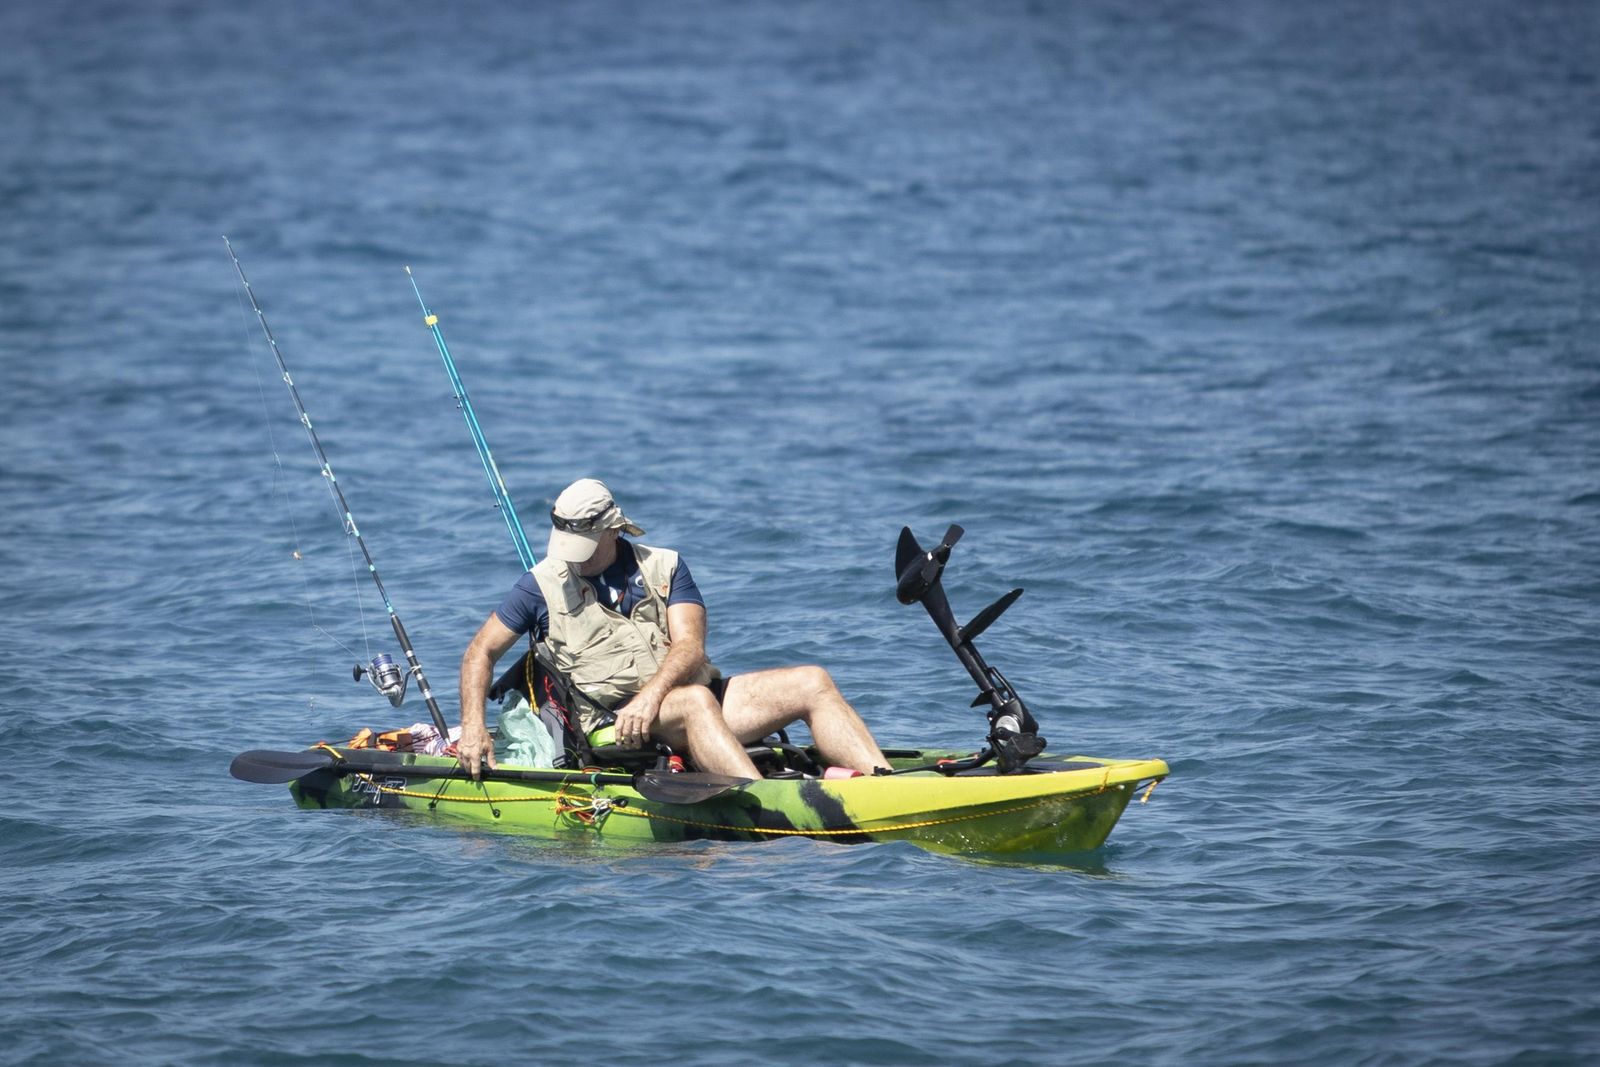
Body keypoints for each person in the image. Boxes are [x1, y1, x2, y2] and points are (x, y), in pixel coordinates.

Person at [456, 478, 890, 780]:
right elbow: (481, 652)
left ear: (612, 529)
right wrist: (473, 726)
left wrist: (651, 698)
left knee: (812, 681)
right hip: (610, 724)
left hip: (674, 701)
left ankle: (885, 782)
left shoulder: (665, 566)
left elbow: (690, 648)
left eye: (583, 548)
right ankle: (766, 802)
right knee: (695, 702)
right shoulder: (538, 586)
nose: (574, 558)